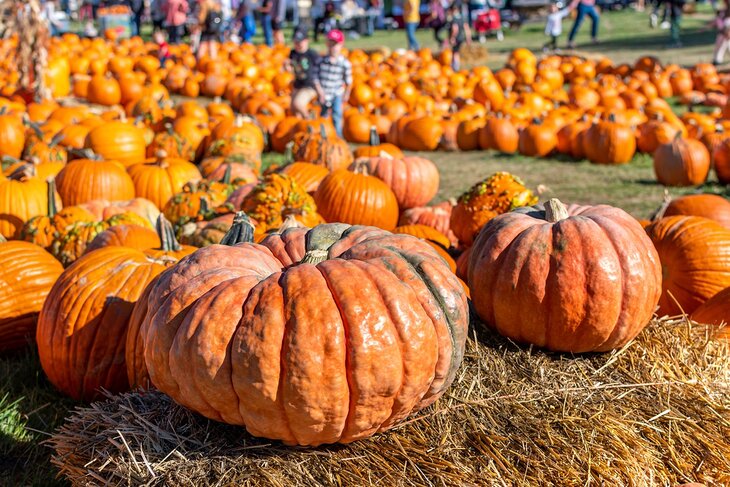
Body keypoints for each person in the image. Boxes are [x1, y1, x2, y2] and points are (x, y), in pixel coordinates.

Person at [315, 29, 352, 137]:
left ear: (341, 45)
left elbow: (348, 81)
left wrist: (347, 93)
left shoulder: (345, 63)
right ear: (327, 44)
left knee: (337, 114)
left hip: (336, 93)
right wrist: (320, 92)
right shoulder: (321, 61)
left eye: (335, 44)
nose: (333, 47)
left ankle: (338, 136)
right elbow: (316, 78)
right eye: (330, 44)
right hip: (324, 92)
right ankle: (324, 135)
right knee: (323, 116)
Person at [286, 30, 320, 118]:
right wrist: (287, 67)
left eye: (300, 42)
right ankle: (299, 125)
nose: (298, 44)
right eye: (296, 42)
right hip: (298, 85)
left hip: (309, 86)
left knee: (298, 104)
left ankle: (309, 120)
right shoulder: (293, 53)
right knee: (293, 109)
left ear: (307, 41)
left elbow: (319, 68)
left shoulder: (312, 54)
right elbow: (291, 68)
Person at [445, 1, 471, 71]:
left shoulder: (454, 19)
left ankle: (455, 66)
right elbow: (467, 28)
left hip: (456, 38)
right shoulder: (463, 18)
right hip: (461, 37)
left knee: (455, 52)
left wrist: (452, 37)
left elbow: (455, 29)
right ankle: (456, 65)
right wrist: (468, 38)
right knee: (457, 52)